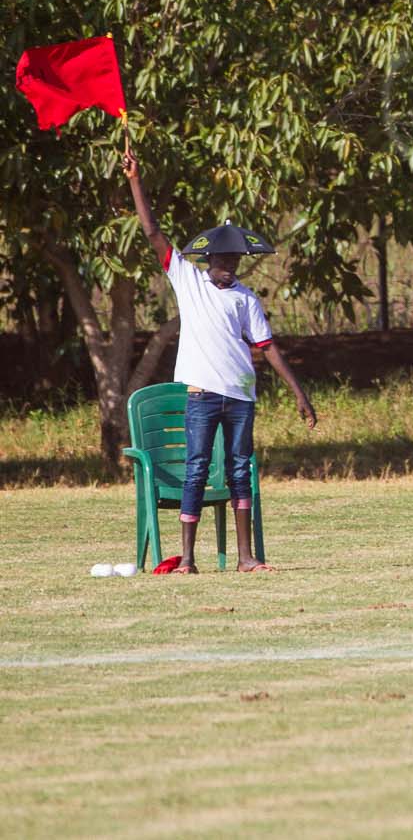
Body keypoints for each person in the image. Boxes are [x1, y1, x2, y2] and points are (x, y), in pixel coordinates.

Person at [123, 151, 316, 571]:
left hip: (240, 397)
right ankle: (189, 559)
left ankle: (247, 558)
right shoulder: (187, 279)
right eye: (221, 261)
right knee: (195, 469)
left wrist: (299, 393)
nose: (228, 268)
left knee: (239, 470)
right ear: (207, 260)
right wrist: (136, 180)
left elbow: (267, 347)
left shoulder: (246, 298)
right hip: (202, 395)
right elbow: (152, 231)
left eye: (234, 262)